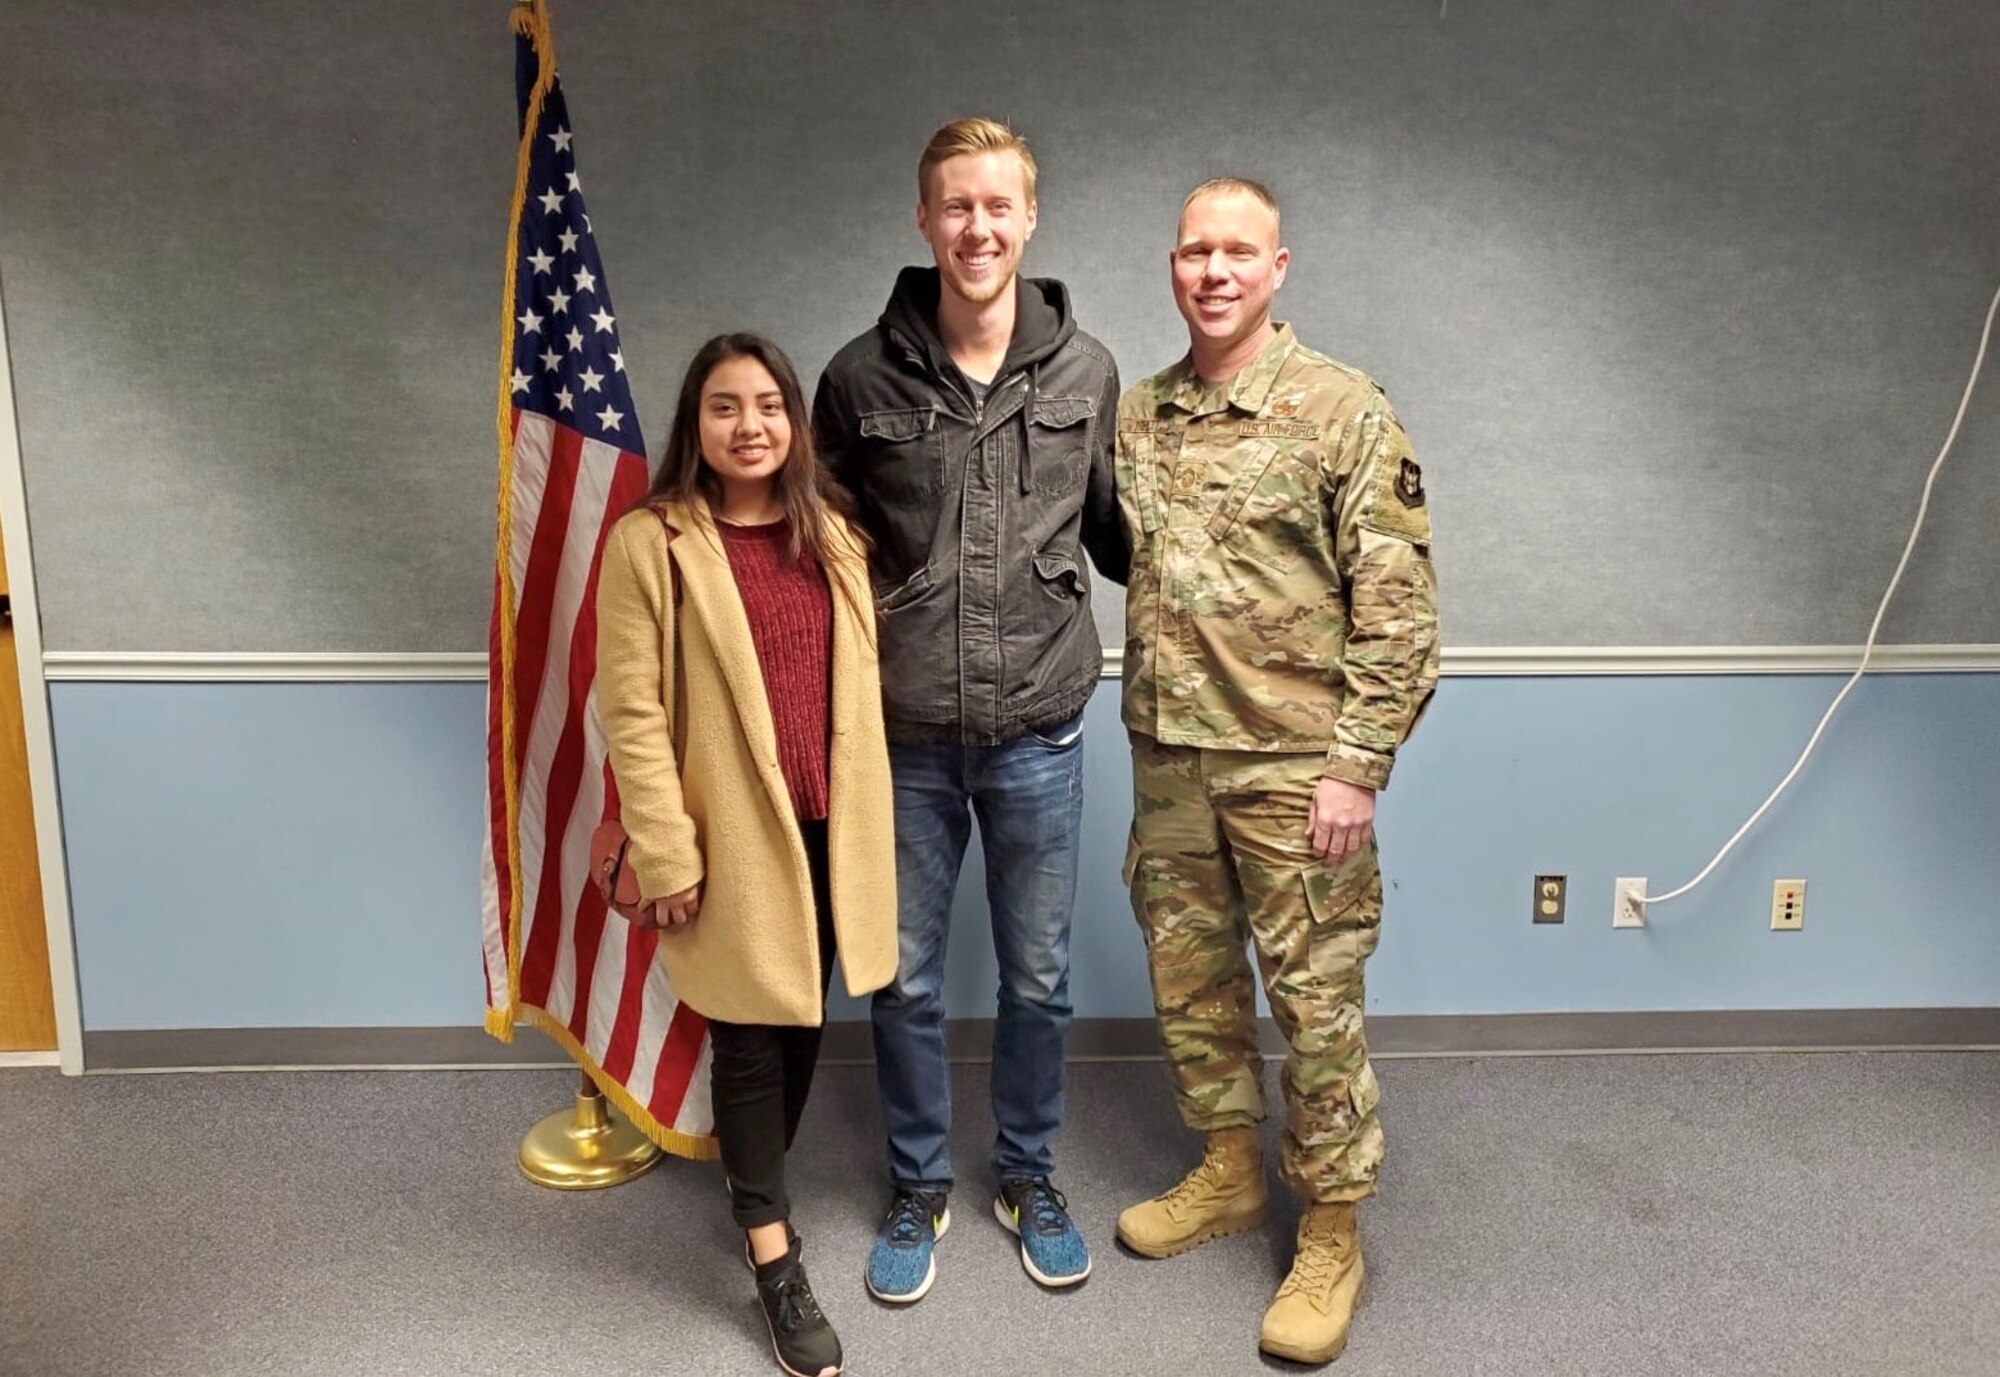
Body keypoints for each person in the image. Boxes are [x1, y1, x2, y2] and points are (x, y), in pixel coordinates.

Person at [1113, 179, 1440, 1365]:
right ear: (1171, 265)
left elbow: (1398, 610)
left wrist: (1355, 768)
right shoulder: (1139, 415)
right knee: (1191, 987)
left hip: (1295, 773)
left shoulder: (1340, 410)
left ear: (1278, 266)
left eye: (1236, 251)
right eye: (1194, 250)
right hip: (1168, 765)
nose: (1213, 270)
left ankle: (1332, 1229)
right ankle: (1227, 1171)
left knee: (1312, 1005)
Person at [812, 117, 1129, 1301]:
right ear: (923, 219)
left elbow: (1118, 537)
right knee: (901, 980)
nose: (977, 228)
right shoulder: (857, 376)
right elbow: (817, 551)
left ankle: (1027, 1174)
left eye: (997, 206)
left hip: (1039, 730)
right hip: (901, 741)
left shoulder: (1086, 372)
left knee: (1037, 978)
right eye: (955, 206)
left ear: (1029, 217)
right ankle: (916, 1183)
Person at [597, 333, 898, 1377]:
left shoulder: (834, 533)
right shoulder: (655, 540)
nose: (750, 425)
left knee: (805, 1016)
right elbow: (629, 709)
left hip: (831, 826)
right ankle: (773, 1256)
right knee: (750, 1034)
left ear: (792, 422)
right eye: (725, 407)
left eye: (767, 404)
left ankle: (751, 1178)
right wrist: (665, 850)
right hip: (725, 833)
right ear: (698, 424)